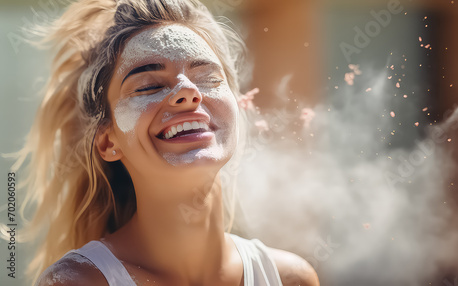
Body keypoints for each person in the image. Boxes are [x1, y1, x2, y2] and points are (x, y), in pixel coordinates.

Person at [15, 0, 319, 285]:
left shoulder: (290, 278)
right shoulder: (80, 281)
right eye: (149, 86)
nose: (188, 92)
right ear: (108, 141)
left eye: (209, 79)